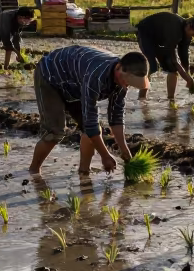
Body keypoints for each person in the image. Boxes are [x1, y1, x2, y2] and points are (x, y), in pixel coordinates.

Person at [29, 45, 149, 175]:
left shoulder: (122, 82)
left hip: (75, 83)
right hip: (50, 75)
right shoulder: (96, 75)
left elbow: (116, 118)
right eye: (126, 81)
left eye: (130, 84)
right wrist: (105, 156)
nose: (126, 85)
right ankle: (34, 171)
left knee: (93, 130)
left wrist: (125, 152)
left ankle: (84, 171)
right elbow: (90, 122)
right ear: (119, 68)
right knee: (55, 131)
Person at [135, 12, 194, 100]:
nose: (192, 37)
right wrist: (187, 79)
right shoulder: (175, 28)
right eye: (193, 34)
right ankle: (142, 98)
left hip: (161, 39)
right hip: (146, 34)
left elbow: (184, 55)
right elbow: (174, 59)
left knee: (172, 69)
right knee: (152, 66)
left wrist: (188, 75)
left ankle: (171, 99)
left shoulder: (187, 35)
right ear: (188, 25)